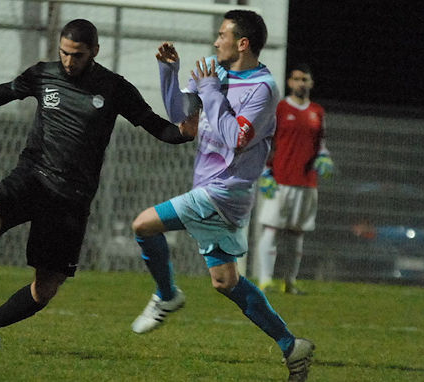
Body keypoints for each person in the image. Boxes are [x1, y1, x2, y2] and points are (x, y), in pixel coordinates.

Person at [0, 19, 194, 350]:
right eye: (65, 53)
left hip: (72, 198)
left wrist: (185, 133)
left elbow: (154, 125)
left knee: (46, 289)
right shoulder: (44, 74)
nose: (69, 61)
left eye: (78, 55)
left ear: (95, 52)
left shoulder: (115, 88)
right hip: (33, 176)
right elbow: (3, 92)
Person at [130, 10, 314, 382]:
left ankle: (167, 295)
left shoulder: (263, 89)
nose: (216, 42)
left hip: (225, 192)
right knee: (225, 282)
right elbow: (185, 120)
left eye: (221, 35)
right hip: (209, 188)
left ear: (242, 43)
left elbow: (236, 138)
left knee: (143, 225)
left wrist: (211, 89)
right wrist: (170, 72)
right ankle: (292, 346)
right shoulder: (215, 69)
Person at [256, 64, 333, 295]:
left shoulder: (317, 112)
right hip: (279, 179)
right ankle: (265, 280)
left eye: (305, 79)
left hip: (307, 182)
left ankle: (289, 282)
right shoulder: (279, 109)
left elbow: (321, 144)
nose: (301, 83)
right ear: (289, 82)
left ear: (311, 83)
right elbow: (265, 141)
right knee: (271, 229)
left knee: (297, 233)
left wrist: (324, 157)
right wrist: (264, 171)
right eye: (297, 79)